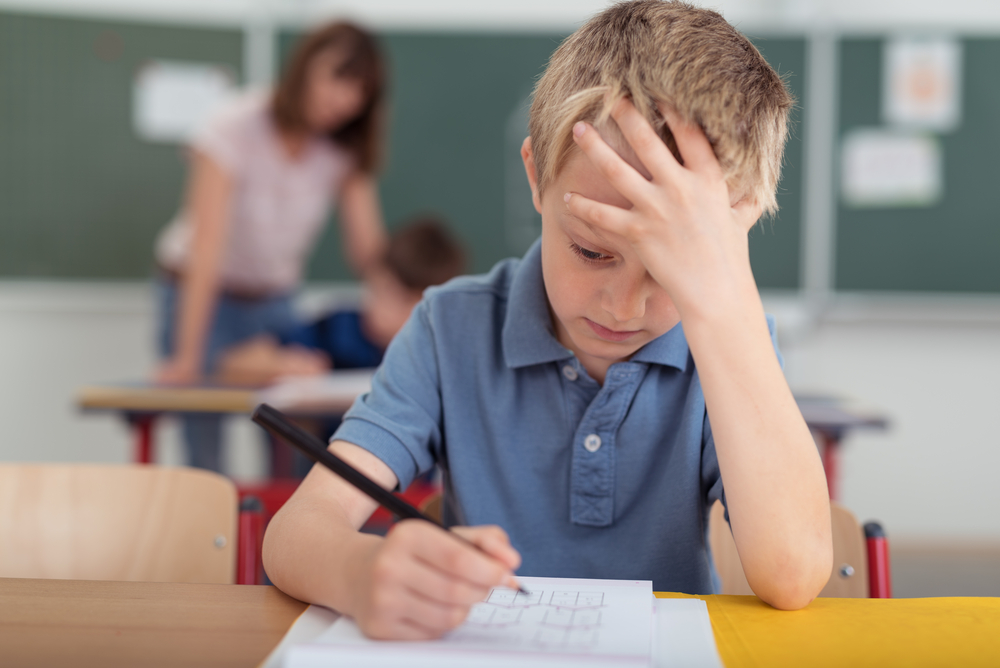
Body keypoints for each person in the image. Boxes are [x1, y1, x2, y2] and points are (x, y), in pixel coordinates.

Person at [262, 0, 834, 640]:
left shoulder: (729, 344)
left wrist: (723, 302)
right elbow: (295, 532)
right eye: (591, 251)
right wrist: (359, 570)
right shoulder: (450, 329)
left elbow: (794, 573)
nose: (622, 306)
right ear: (537, 176)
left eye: (669, 270)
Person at [153, 22, 387, 472]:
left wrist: (402, 319)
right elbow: (207, 245)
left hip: (274, 302)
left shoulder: (342, 149)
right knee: (204, 450)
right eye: (337, 77)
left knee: (291, 443)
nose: (343, 99)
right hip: (202, 295)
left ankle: (280, 524)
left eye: (360, 90)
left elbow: (368, 252)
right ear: (305, 67)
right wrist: (187, 356)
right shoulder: (233, 125)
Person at [213, 216, 467, 386]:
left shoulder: (442, 356)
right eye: (383, 289)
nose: (386, 308)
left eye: (405, 301)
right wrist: (281, 365)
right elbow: (231, 365)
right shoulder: (337, 329)